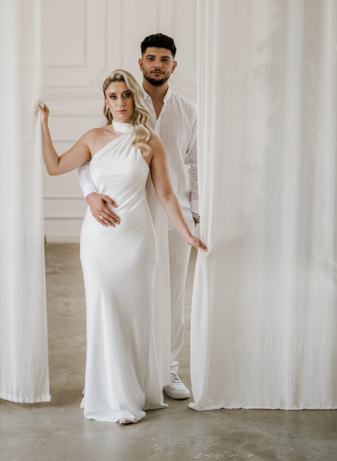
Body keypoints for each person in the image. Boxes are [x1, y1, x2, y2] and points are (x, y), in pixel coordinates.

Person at [36, 70, 207, 425]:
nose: (119, 102)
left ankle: (130, 394)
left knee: (134, 317)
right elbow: (54, 167)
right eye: (112, 96)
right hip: (99, 242)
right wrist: (43, 124)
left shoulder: (149, 142)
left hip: (138, 241)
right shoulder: (94, 138)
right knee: (105, 312)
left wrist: (188, 234)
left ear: (134, 98)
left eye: (125, 95)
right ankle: (108, 394)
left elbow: (166, 194)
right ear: (105, 101)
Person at [78, 33, 200, 400]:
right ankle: (129, 372)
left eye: (164, 59)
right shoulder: (124, 99)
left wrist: (194, 213)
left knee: (173, 297)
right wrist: (89, 194)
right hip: (129, 216)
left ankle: (169, 369)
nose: (157, 65)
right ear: (141, 62)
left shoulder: (188, 111)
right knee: (132, 296)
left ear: (173, 65)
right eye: (151, 58)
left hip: (174, 213)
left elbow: (196, 164)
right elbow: (90, 157)